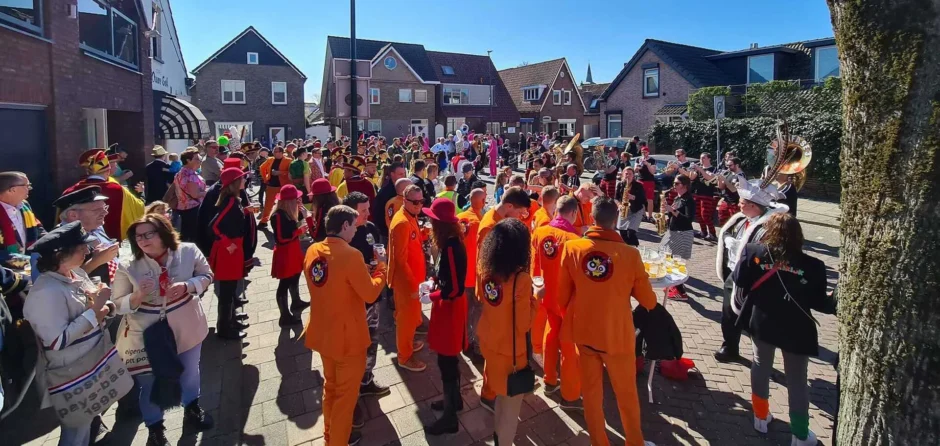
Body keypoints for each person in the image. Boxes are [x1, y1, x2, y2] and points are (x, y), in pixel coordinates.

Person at [557, 197, 658, 446]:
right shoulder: (630, 254)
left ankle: (599, 442)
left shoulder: (573, 248)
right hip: (616, 335)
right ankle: (634, 442)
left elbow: (561, 296)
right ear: (616, 220)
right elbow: (649, 302)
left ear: (591, 218)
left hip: (584, 330)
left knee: (591, 394)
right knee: (626, 394)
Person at [110, 214, 214, 446]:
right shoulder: (128, 265)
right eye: (138, 236)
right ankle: (155, 429)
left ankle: (192, 410)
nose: (143, 240)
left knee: (189, 372)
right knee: (150, 382)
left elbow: (207, 275)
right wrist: (138, 296)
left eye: (149, 234)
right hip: (147, 332)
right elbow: (117, 304)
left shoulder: (187, 251)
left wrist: (188, 286)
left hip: (187, 324)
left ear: (164, 233)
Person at [732, 213, 834, 446]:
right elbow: (820, 304)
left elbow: (739, 280)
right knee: (797, 380)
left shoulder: (753, 251)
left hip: (763, 321)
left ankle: (760, 416)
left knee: (760, 366)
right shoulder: (813, 265)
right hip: (796, 327)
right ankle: (799, 434)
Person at [23, 222, 124, 446]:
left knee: (84, 426)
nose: (88, 252)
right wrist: (96, 310)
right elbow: (58, 341)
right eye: (82, 249)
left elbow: (96, 307)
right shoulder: (45, 292)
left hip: (89, 364)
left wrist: (105, 307)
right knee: (75, 431)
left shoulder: (74, 273)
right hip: (72, 374)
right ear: (61, 255)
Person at [303, 205, 386, 446]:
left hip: (322, 333)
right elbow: (370, 294)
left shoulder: (313, 250)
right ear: (345, 226)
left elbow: (332, 284)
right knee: (346, 399)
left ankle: (329, 435)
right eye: (354, 224)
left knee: (331, 388)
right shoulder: (351, 255)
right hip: (347, 339)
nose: (355, 230)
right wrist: (381, 268)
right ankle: (337, 441)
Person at [476, 219, 539, 444]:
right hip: (511, 352)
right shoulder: (521, 279)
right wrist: (535, 300)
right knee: (510, 408)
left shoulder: (486, 269)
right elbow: (524, 324)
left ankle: (497, 435)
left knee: (500, 393)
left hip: (489, 342)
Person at [714, 181, 788, 362]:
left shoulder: (769, 226)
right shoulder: (740, 219)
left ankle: (762, 356)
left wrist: (742, 247)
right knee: (728, 313)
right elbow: (729, 233)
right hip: (734, 272)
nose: (739, 205)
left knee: (751, 317)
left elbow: (766, 253)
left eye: (742, 202)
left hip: (754, 278)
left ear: (753, 206)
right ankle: (730, 345)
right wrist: (729, 240)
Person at [415, 198, 469, 435]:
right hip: (447, 305)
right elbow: (446, 277)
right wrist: (433, 282)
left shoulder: (451, 246)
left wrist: (433, 295)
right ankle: (453, 401)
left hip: (451, 307)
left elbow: (455, 289)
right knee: (448, 359)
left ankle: (450, 418)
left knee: (446, 361)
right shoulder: (448, 242)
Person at [476, 187, 531, 410]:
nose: (521, 218)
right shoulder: (491, 226)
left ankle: (491, 390)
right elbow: (487, 266)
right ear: (509, 207)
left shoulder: (497, 220)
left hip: (498, 292)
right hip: (498, 293)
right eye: (519, 213)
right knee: (499, 345)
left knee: (495, 344)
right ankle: (492, 392)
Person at [531, 195, 583, 409]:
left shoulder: (540, 232)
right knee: (569, 348)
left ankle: (550, 379)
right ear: (573, 213)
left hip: (546, 295)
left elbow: (534, 266)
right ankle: (570, 396)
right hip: (567, 300)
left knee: (551, 335)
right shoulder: (574, 240)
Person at [339, 193, 390, 407]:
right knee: (353, 348)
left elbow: (378, 251)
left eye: (368, 209)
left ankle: (366, 379)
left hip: (373, 297)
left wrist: (380, 260)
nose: (368, 213)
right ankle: (351, 392)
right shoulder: (343, 237)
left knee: (371, 340)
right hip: (354, 303)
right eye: (363, 210)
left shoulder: (370, 228)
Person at [387, 183, 429, 372]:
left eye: (421, 202)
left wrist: (424, 234)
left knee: (411, 317)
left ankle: (408, 344)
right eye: (415, 202)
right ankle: (404, 357)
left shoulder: (409, 216)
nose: (419, 206)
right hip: (407, 283)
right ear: (405, 200)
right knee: (406, 319)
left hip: (414, 279)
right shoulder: (402, 222)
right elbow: (400, 260)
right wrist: (413, 286)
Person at [208, 167, 253, 340]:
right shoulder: (230, 201)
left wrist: (246, 211)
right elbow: (213, 226)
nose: (244, 180)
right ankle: (224, 329)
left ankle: (231, 320)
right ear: (234, 183)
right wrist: (227, 243)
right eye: (241, 178)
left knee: (232, 288)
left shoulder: (234, 200)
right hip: (229, 252)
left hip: (235, 249)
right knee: (227, 292)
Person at [62, 149, 145, 241]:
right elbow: (138, 208)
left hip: (75, 243)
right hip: (110, 243)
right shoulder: (117, 190)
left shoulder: (68, 192)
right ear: (108, 171)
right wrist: (142, 194)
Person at [54, 186, 120, 285]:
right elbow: (62, 282)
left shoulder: (96, 227)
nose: (105, 212)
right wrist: (95, 261)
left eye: (105, 207)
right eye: (97, 210)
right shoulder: (60, 239)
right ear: (73, 215)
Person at [271, 185, 309, 326]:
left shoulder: (289, 212)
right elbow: (281, 238)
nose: (298, 200)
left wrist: (301, 208)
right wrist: (298, 232)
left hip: (293, 250)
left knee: (295, 277)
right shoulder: (278, 216)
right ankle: (284, 315)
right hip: (285, 252)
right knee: (284, 283)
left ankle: (296, 301)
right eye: (296, 199)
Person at [456, 188, 485, 358]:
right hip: (473, 275)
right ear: (481, 202)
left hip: (461, 272)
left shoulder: (460, 218)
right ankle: (475, 346)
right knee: (477, 312)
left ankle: (464, 341)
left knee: (465, 311)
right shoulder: (477, 223)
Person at [0, 171, 46, 272]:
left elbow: (39, 231)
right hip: (6, 275)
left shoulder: (25, 206)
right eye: (26, 185)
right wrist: (29, 261)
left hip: (31, 270)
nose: (30, 188)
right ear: (12, 190)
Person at [175, 149, 207, 242]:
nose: (199, 161)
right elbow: (195, 194)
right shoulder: (190, 175)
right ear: (188, 160)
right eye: (196, 159)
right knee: (193, 238)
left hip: (183, 208)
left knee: (186, 237)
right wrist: (207, 192)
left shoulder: (180, 172)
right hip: (193, 209)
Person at [258, 145, 292, 228]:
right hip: (272, 185)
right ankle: (264, 221)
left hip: (283, 186)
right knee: (268, 204)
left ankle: (286, 220)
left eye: (276, 151)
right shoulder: (270, 159)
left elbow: (290, 172)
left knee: (285, 204)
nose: (274, 153)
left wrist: (280, 172)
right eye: (273, 151)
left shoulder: (288, 160)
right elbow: (262, 168)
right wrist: (265, 178)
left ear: (281, 152)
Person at [372, 161, 407, 238]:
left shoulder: (404, 187)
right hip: (387, 233)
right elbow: (378, 213)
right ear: (392, 174)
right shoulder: (385, 192)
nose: (403, 176)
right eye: (400, 174)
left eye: (404, 173)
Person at [690, 153, 719, 242]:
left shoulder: (713, 169)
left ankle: (712, 234)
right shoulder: (699, 168)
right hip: (697, 193)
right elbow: (691, 178)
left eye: (703, 158)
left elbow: (709, 178)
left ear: (709, 159)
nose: (701, 160)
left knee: (705, 215)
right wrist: (692, 170)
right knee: (698, 215)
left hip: (707, 194)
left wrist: (701, 169)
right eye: (700, 158)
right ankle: (703, 232)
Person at [615, 167, 646, 246]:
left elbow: (643, 200)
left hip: (636, 210)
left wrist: (633, 197)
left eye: (630, 174)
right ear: (623, 175)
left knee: (631, 232)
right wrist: (619, 205)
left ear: (633, 176)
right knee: (622, 232)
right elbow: (615, 198)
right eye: (626, 174)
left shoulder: (639, 185)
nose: (628, 175)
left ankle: (635, 247)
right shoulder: (620, 184)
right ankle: (628, 248)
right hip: (624, 209)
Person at [716, 157, 747, 226]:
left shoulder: (741, 176)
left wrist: (724, 179)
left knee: (734, 223)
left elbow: (733, 190)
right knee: (722, 220)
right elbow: (721, 187)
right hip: (726, 201)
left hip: (735, 203)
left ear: (737, 165)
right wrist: (719, 179)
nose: (728, 167)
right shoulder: (729, 174)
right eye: (727, 165)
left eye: (730, 165)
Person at [635, 144, 657, 221]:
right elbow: (635, 170)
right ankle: (643, 215)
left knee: (649, 199)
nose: (644, 154)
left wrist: (647, 164)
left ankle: (650, 216)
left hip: (649, 181)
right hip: (640, 180)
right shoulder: (638, 159)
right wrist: (638, 167)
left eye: (645, 152)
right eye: (642, 152)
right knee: (641, 199)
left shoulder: (652, 160)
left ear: (648, 152)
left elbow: (653, 172)